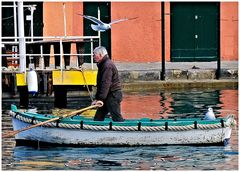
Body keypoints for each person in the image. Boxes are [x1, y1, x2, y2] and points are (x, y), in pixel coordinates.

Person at [91, 46, 124, 122]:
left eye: (94, 55)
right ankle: (96, 130)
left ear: (100, 55)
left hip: (113, 95)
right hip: (107, 95)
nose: (93, 57)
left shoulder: (107, 65)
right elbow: (101, 85)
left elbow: (105, 84)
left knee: (116, 117)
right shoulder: (103, 64)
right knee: (98, 118)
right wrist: (97, 99)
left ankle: (123, 132)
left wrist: (100, 99)